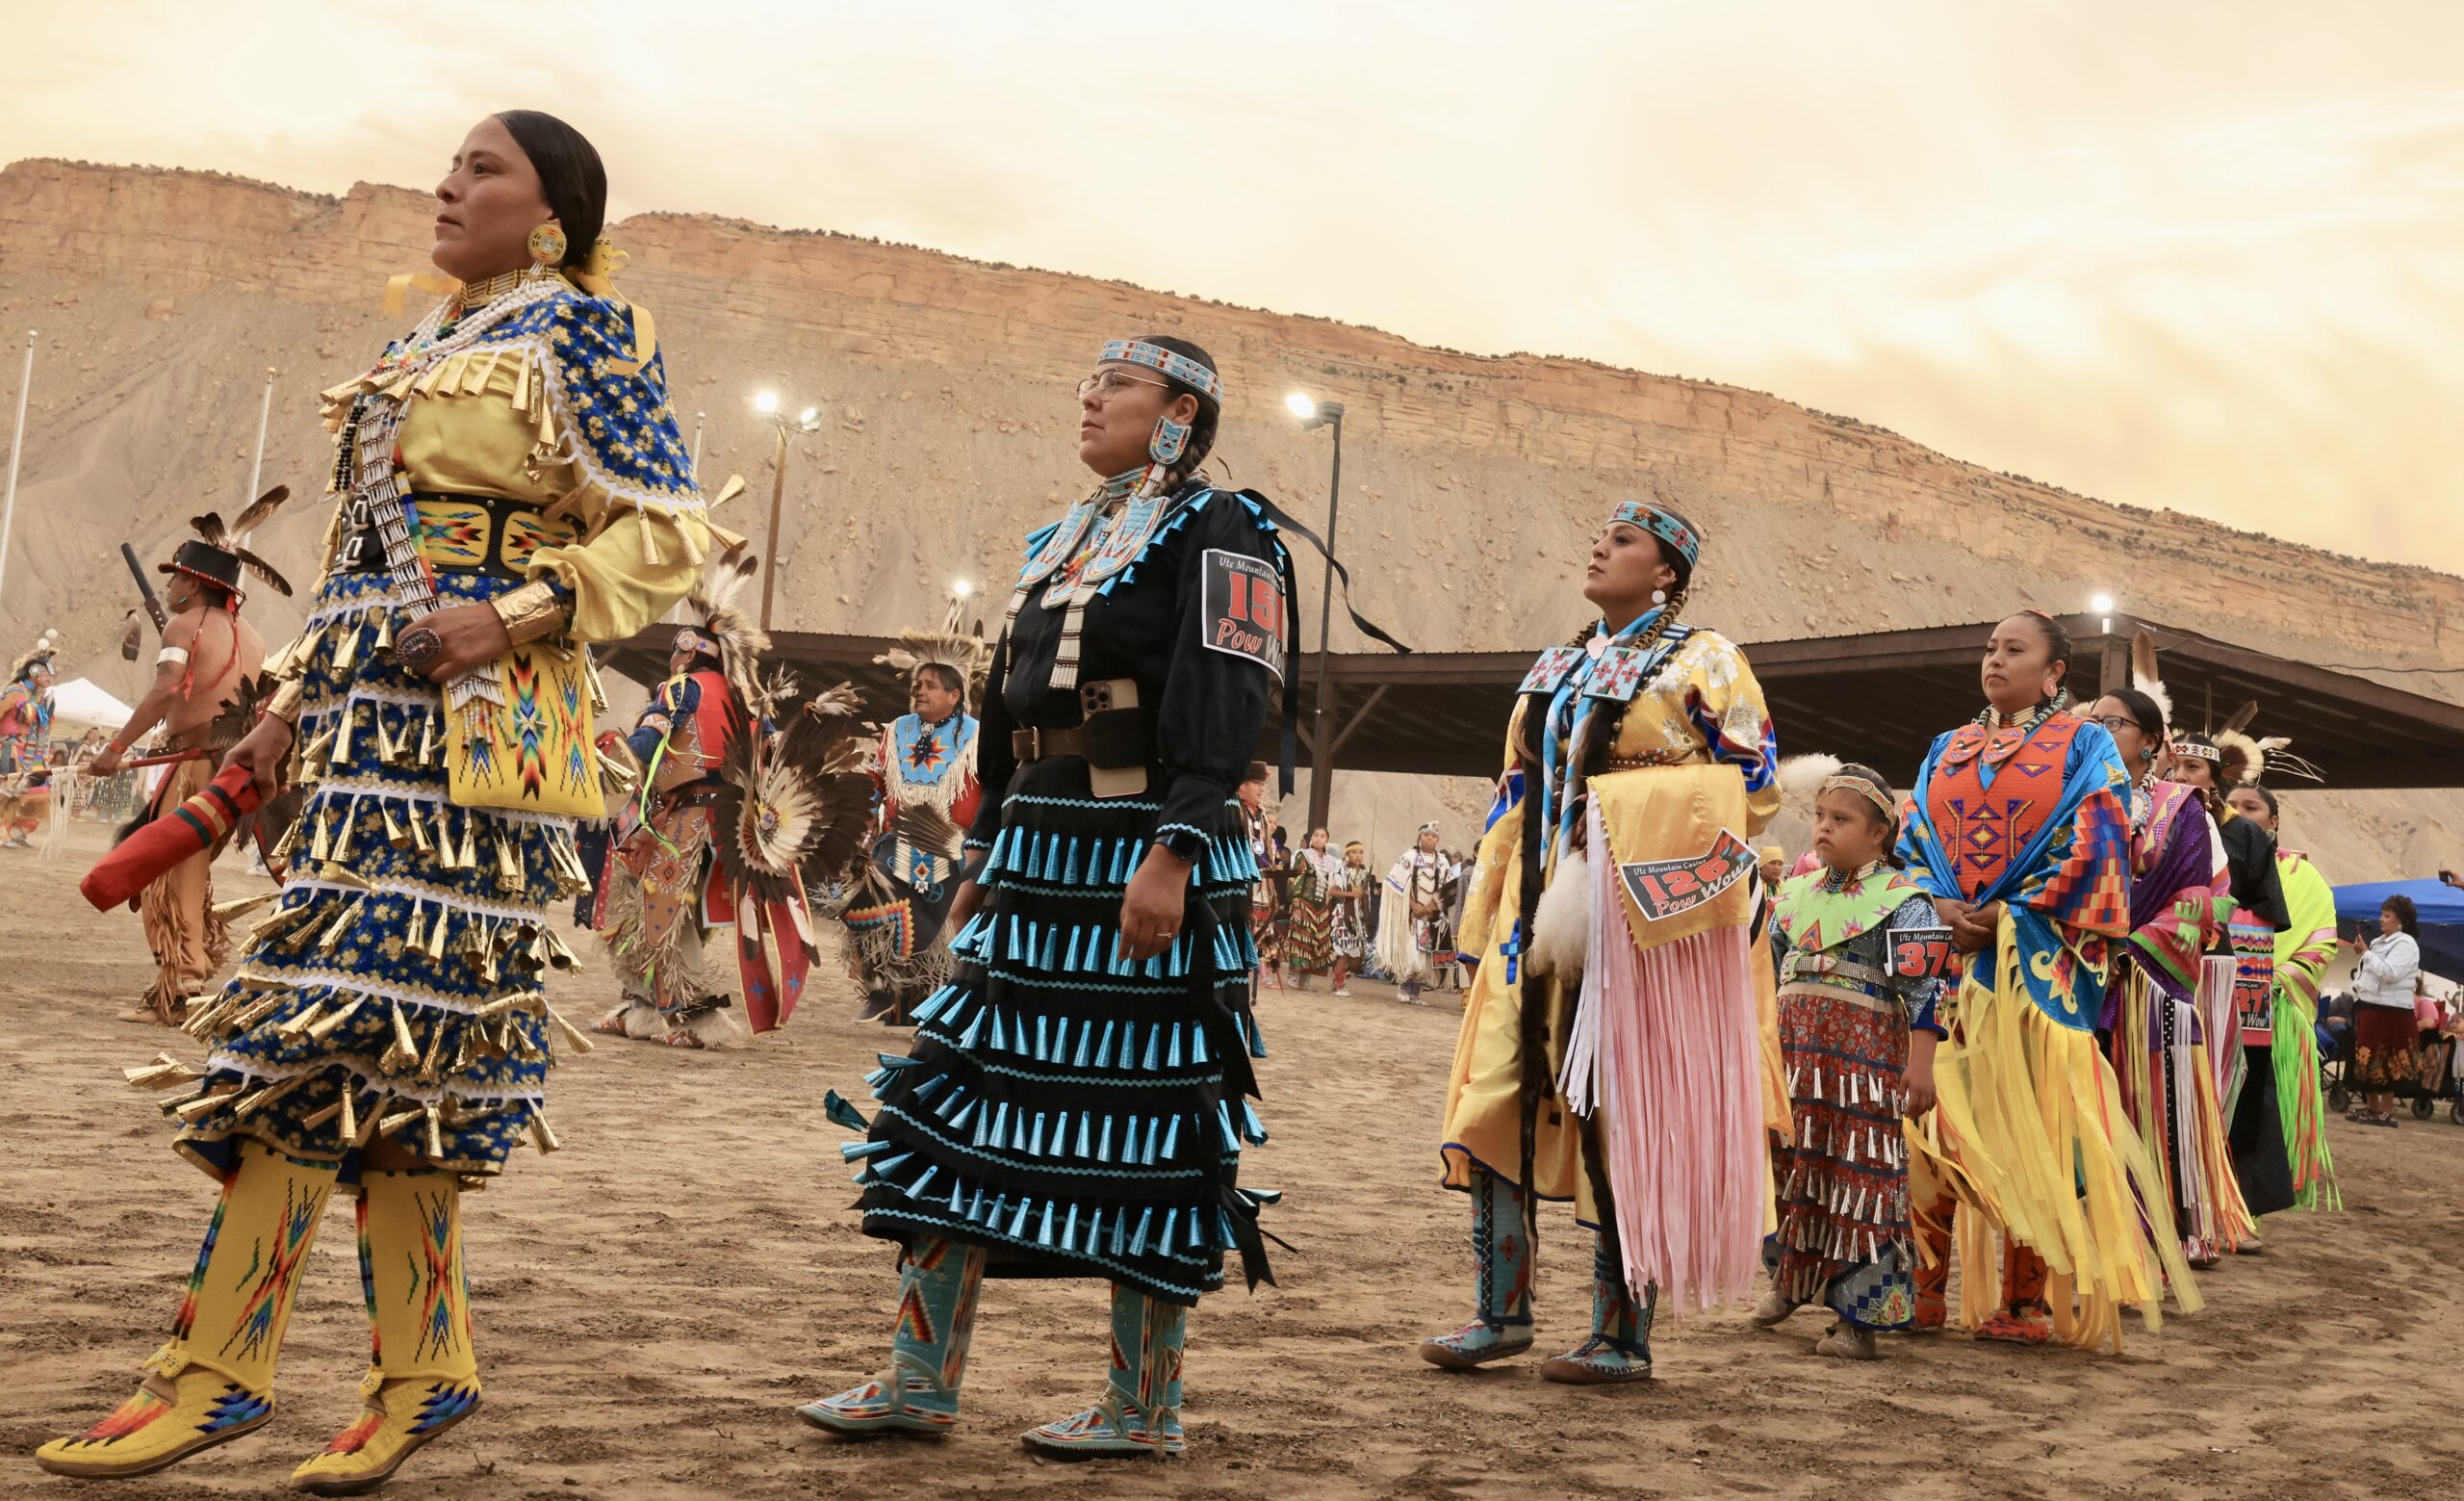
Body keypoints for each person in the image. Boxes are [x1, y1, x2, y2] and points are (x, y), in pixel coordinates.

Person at [36, 111, 708, 1490]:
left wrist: (513, 612)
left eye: (484, 169)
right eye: (450, 164)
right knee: (401, 1066)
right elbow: (357, 573)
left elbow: (668, 533)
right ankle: (426, 1367)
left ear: (554, 214)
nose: (447, 186)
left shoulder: (588, 331)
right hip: (357, 753)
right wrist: (282, 720)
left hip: (479, 758)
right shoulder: (418, 347)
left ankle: (216, 1370)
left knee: (302, 1038)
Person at [803, 334, 1290, 1458]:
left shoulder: (1222, 526)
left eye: (1117, 383)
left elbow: (1230, 689)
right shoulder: (1069, 534)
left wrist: (1176, 846)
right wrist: (985, 848)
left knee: (1154, 1112)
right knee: (950, 1090)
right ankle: (918, 1378)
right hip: (1040, 846)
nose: (1090, 396)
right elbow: (1010, 702)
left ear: (1179, 411)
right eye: (1089, 379)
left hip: (1144, 843)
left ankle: (1143, 1405)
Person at [1423, 499, 1781, 1385]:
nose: (1598, 547)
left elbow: (1754, 786)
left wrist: (1626, 812)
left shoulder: (1707, 660)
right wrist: (1487, 915)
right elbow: (1515, 789)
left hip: (1635, 921)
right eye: (1600, 535)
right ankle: (1500, 1312)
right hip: (1534, 917)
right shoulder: (1558, 664)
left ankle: (1621, 1333)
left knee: (1622, 1111)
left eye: (1622, 540)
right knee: (1497, 1092)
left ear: (1664, 572)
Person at [1897, 612, 2191, 1350]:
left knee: (2030, 1125)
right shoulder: (1946, 747)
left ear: (2055, 672)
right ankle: (1921, 1293)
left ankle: (2022, 1303)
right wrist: (1935, 903)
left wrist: (2008, 913)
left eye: (2014, 649)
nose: (1994, 660)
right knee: (1930, 1121)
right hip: (1949, 962)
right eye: (1990, 648)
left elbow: (2099, 846)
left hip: (2032, 970)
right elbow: (1913, 838)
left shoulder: (2084, 745)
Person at [1752, 760, 1942, 1360]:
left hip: (1865, 1068)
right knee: (1793, 1165)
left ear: (1879, 833)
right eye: (1819, 816)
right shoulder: (1793, 895)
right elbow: (1768, 975)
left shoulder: (1906, 901)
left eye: (1841, 819)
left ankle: (1859, 1318)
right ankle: (1790, 1280)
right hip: (1796, 1059)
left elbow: (1924, 992)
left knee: (1860, 1177)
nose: (1824, 828)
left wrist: (1921, 1065)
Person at [88, 498, 289, 1023]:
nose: (170, 588)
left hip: (198, 768)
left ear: (195, 583)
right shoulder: (253, 636)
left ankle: (182, 988)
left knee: (172, 874)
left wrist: (115, 747)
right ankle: (190, 970)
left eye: (175, 577)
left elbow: (165, 691)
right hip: (231, 771)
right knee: (189, 874)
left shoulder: (184, 628)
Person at [2082, 687, 2251, 1268]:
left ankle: (2166, 1231)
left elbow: (2197, 899)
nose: (2098, 731)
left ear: (2151, 741)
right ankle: (2088, 1240)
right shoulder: (2070, 799)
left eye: (2114, 723)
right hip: (2073, 975)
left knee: (2156, 1111)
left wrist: (2128, 951)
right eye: (2091, 722)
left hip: (2147, 986)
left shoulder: (2180, 809)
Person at [597, 603, 765, 1048]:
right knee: (666, 910)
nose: (672, 660)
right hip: (728, 826)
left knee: (661, 914)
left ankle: (699, 1018)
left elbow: (647, 740)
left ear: (689, 653)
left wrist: (610, 764)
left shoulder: (681, 688)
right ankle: (642, 1007)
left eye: (676, 652)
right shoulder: (742, 698)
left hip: (687, 821)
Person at [2167, 731, 2294, 1231]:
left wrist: (2214, 923)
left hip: (2228, 974)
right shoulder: (2150, 821)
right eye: (2174, 767)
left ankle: (2231, 1206)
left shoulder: (2244, 835)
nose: (2181, 777)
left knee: (2233, 1083)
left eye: (2193, 768)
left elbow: (2267, 908)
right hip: (2163, 967)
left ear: (2215, 777)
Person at [842, 621, 988, 1024]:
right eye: (917, 684)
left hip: (954, 847)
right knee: (864, 903)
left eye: (931, 685)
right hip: (898, 840)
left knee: (943, 933)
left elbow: (992, 791)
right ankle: (881, 986)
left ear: (955, 695)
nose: (920, 691)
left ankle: (931, 1006)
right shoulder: (897, 732)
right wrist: (860, 822)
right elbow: (877, 783)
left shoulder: (977, 737)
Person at [2223, 782, 2340, 1208]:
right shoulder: (2205, 862)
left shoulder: (2304, 879)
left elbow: (2321, 943)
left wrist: (2273, 980)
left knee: (2255, 1113)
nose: (2238, 813)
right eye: (2230, 805)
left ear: (2274, 821)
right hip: (2207, 1007)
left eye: (2250, 807)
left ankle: (2243, 1201)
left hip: (2272, 1015)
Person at [2344, 894, 2423, 1126]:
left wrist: (2366, 953)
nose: (2381, 919)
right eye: (2382, 914)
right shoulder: (2379, 942)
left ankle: (2387, 1111)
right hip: (2371, 1006)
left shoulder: (2405, 944)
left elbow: (2390, 973)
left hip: (2391, 1011)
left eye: (2387, 916)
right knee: (2367, 1057)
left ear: (2400, 921)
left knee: (2385, 1059)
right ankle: (2372, 1108)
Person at [1376, 822, 1450, 1003]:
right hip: (1411, 914)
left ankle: (1415, 993)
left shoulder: (1442, 862)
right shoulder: (1409, 857)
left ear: (1438, 840)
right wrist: (1413, 906)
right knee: (1409, 952)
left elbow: (1449, 889)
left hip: (1432, 916)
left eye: (1433, 836)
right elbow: (1394, 884)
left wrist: (1430, 908)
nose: (1430, 838)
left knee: (1423, 955)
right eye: (1426, 835)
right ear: (1419, 838)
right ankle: (1403, 988)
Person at [1284, 827, 1341, 990]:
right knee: (1302, 939)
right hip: (1304, 903)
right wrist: (1296, 905)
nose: (1319, 838)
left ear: (1327, 840)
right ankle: (1294, 975)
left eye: (1322, 836)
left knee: (1316, 943)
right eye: (1316, 835)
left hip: (1322, 908)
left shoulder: (1331, 861)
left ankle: (1305, 979)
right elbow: (1296, 879)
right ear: (1311, 839)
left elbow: (1334, 885)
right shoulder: (1304, 855)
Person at [0, 634, 57, 779]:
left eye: (51, 675)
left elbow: (43, 727)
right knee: (9, 789)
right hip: (10, 752)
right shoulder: (15, 691)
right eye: (46, 674)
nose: (50, 679)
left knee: (34, 790)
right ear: (33, 673)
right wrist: (37, 698)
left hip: (32, 756)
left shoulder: (41, 697)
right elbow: (25, 716)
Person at [1328, 839, 1371, 996]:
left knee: (1357, 955)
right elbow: (1332, 892)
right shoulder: (1341, 869)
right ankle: (1339, 984)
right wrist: (1351, 894)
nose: (1358, 856)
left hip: (1359, 916)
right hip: (1345, 914)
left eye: (1360, 852)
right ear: (1347, 854)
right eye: (1354, 852)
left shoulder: (1365, 872)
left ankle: (1338, 980)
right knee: (1345, 953)